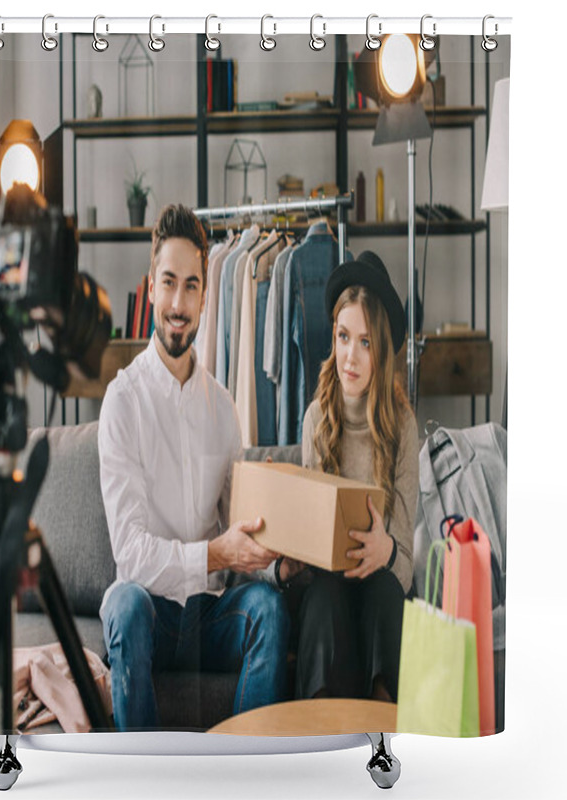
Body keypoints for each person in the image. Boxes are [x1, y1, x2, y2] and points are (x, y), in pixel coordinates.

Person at [98, 204, 290, 731]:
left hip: (210, 617)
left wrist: (278, 564)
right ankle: (143, 781)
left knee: (269, 609)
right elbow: (131, 556)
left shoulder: (223, 408)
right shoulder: (122, 401)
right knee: (123, 602)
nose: (179, 303)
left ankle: (246, 773)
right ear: (152, 289)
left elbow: (242, 535)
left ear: (207, 296)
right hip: (150, 618)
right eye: (168, 284)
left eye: (191, 287)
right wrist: (213, 553)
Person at [282, 250, 419, 703]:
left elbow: (404, 564)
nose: (350, 356)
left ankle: (381, 724)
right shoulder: (316, 418)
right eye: (343, 337)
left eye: (364, 342)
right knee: (324, 594)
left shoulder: (402, 424)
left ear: (380, 349)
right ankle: (321, 728)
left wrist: (387, 550)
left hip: (383, 585)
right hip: (330, 586)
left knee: (381, 590)